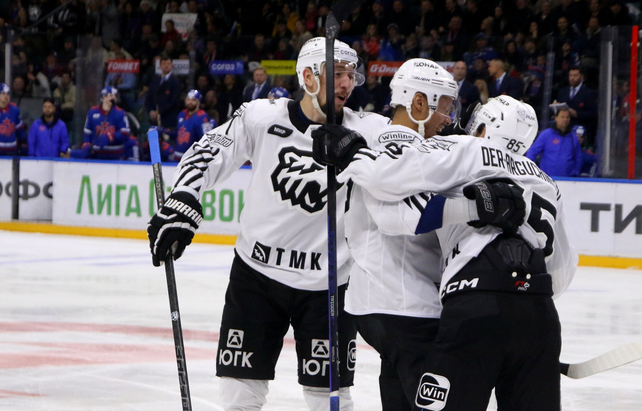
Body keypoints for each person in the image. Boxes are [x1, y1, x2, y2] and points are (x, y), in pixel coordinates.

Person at [146, 37, 390, 411]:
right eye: (337, 74)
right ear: (308, 77)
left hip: (329, 284)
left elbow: (418, 157)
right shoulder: (262, 116)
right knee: (239, 395)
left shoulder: (368, 130)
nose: (347, 84)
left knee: (329, 400)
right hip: (256, 277)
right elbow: (209, 151)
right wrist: (184, 195)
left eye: (350, 75)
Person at [312, 95, 578, 411]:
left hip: (475, 306)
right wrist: (519, 321)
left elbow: (389, 176)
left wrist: (352, 152)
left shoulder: (467, 148)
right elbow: (561, 272)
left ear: (483, 129)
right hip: (540, 318)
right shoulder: (546, 181)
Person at [338, 58, 524, 411]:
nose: (449, 119)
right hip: (404, 304)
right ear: (419, 103)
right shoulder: (401, 150)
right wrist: (477, 207)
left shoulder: (395, 147)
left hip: (383, 301)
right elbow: (403, 216)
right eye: (445, 107)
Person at [72, 87, 138, 161]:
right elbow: (87, 132)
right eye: (111, 95)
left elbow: (125, 133)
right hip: (96, 154)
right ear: (103, 97)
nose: (114, 98)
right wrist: (87, 144)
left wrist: (110, 136)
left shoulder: (120, 113)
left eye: (115, 96)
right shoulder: (92, 112)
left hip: (115, 155)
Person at [525, 108, 582, 177]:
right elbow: (532, 152)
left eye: (567, 117)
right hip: (546, 178)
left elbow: (578, 157)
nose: (565, 119)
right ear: (556, 118)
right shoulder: (546, 134)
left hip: (567, 179)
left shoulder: (573, 138)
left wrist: (575, 173)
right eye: (562, 117)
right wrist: (529, 170)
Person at [162, 90, 212, 163]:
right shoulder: (181, 114)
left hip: (191, 159)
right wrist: (165, 131)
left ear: (198, 102)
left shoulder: (203, 117)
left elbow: (206, 140)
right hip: (177, 157)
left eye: (193, 100)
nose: (190, 102)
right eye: (188, 99)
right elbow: (179, 134)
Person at [555, 67, 598, 146]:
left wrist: (577, 114)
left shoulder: (589, 93)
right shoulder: (563, 91)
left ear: (581, 77)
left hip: (580, 128)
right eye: (570, 75)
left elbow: (593, 114)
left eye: (575, 75)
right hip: (563, 128)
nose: (572, 78)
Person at [145, 56, 182, 128]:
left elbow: (174, 101)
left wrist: (159, 112)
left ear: (172, 65)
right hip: (154, 119)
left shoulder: (176, 81)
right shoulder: (155, 80)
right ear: (160, 66)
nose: (166, 66)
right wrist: (151, 111)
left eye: (168, 63)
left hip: (169, 119)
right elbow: (148, 97)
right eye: (164, 63)